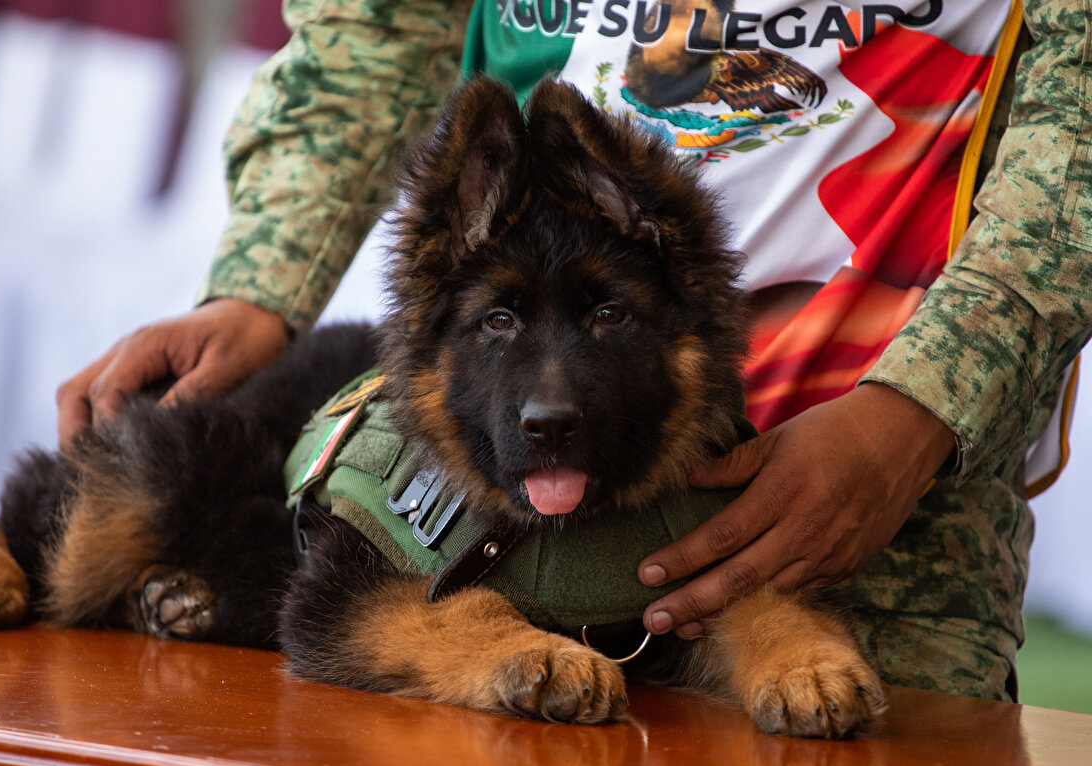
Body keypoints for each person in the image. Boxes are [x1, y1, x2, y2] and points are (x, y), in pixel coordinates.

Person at [55, 0, 1091, 701]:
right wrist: (263, 278)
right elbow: (379, 23)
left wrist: (921, 405)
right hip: (473, 533)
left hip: (872, 528)